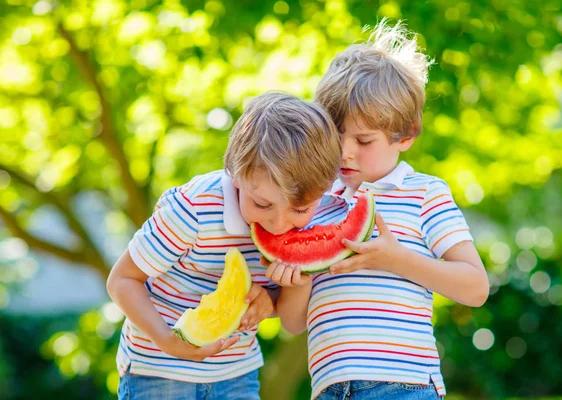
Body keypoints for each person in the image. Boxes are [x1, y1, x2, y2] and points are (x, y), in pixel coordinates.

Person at [268, 21, 489, 400]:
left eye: (363, 139)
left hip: (406, 387)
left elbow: (475, 287)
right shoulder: (312, 205)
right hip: (330, 389)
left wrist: (396, 259)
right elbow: (292, 324)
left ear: (406, 135)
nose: (345, 151)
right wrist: (298, 281)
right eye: (334, 135)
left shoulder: (424, 194)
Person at [106, 91, 342, 399]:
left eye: (299, 209)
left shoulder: (312, 223)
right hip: (159, 370)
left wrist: (272, 299)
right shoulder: (193, 210)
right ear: (237, 173)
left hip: (237, 374)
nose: (279, 223)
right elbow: (121, 280)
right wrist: (167, 340)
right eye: (262, 204)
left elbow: (289, 319)